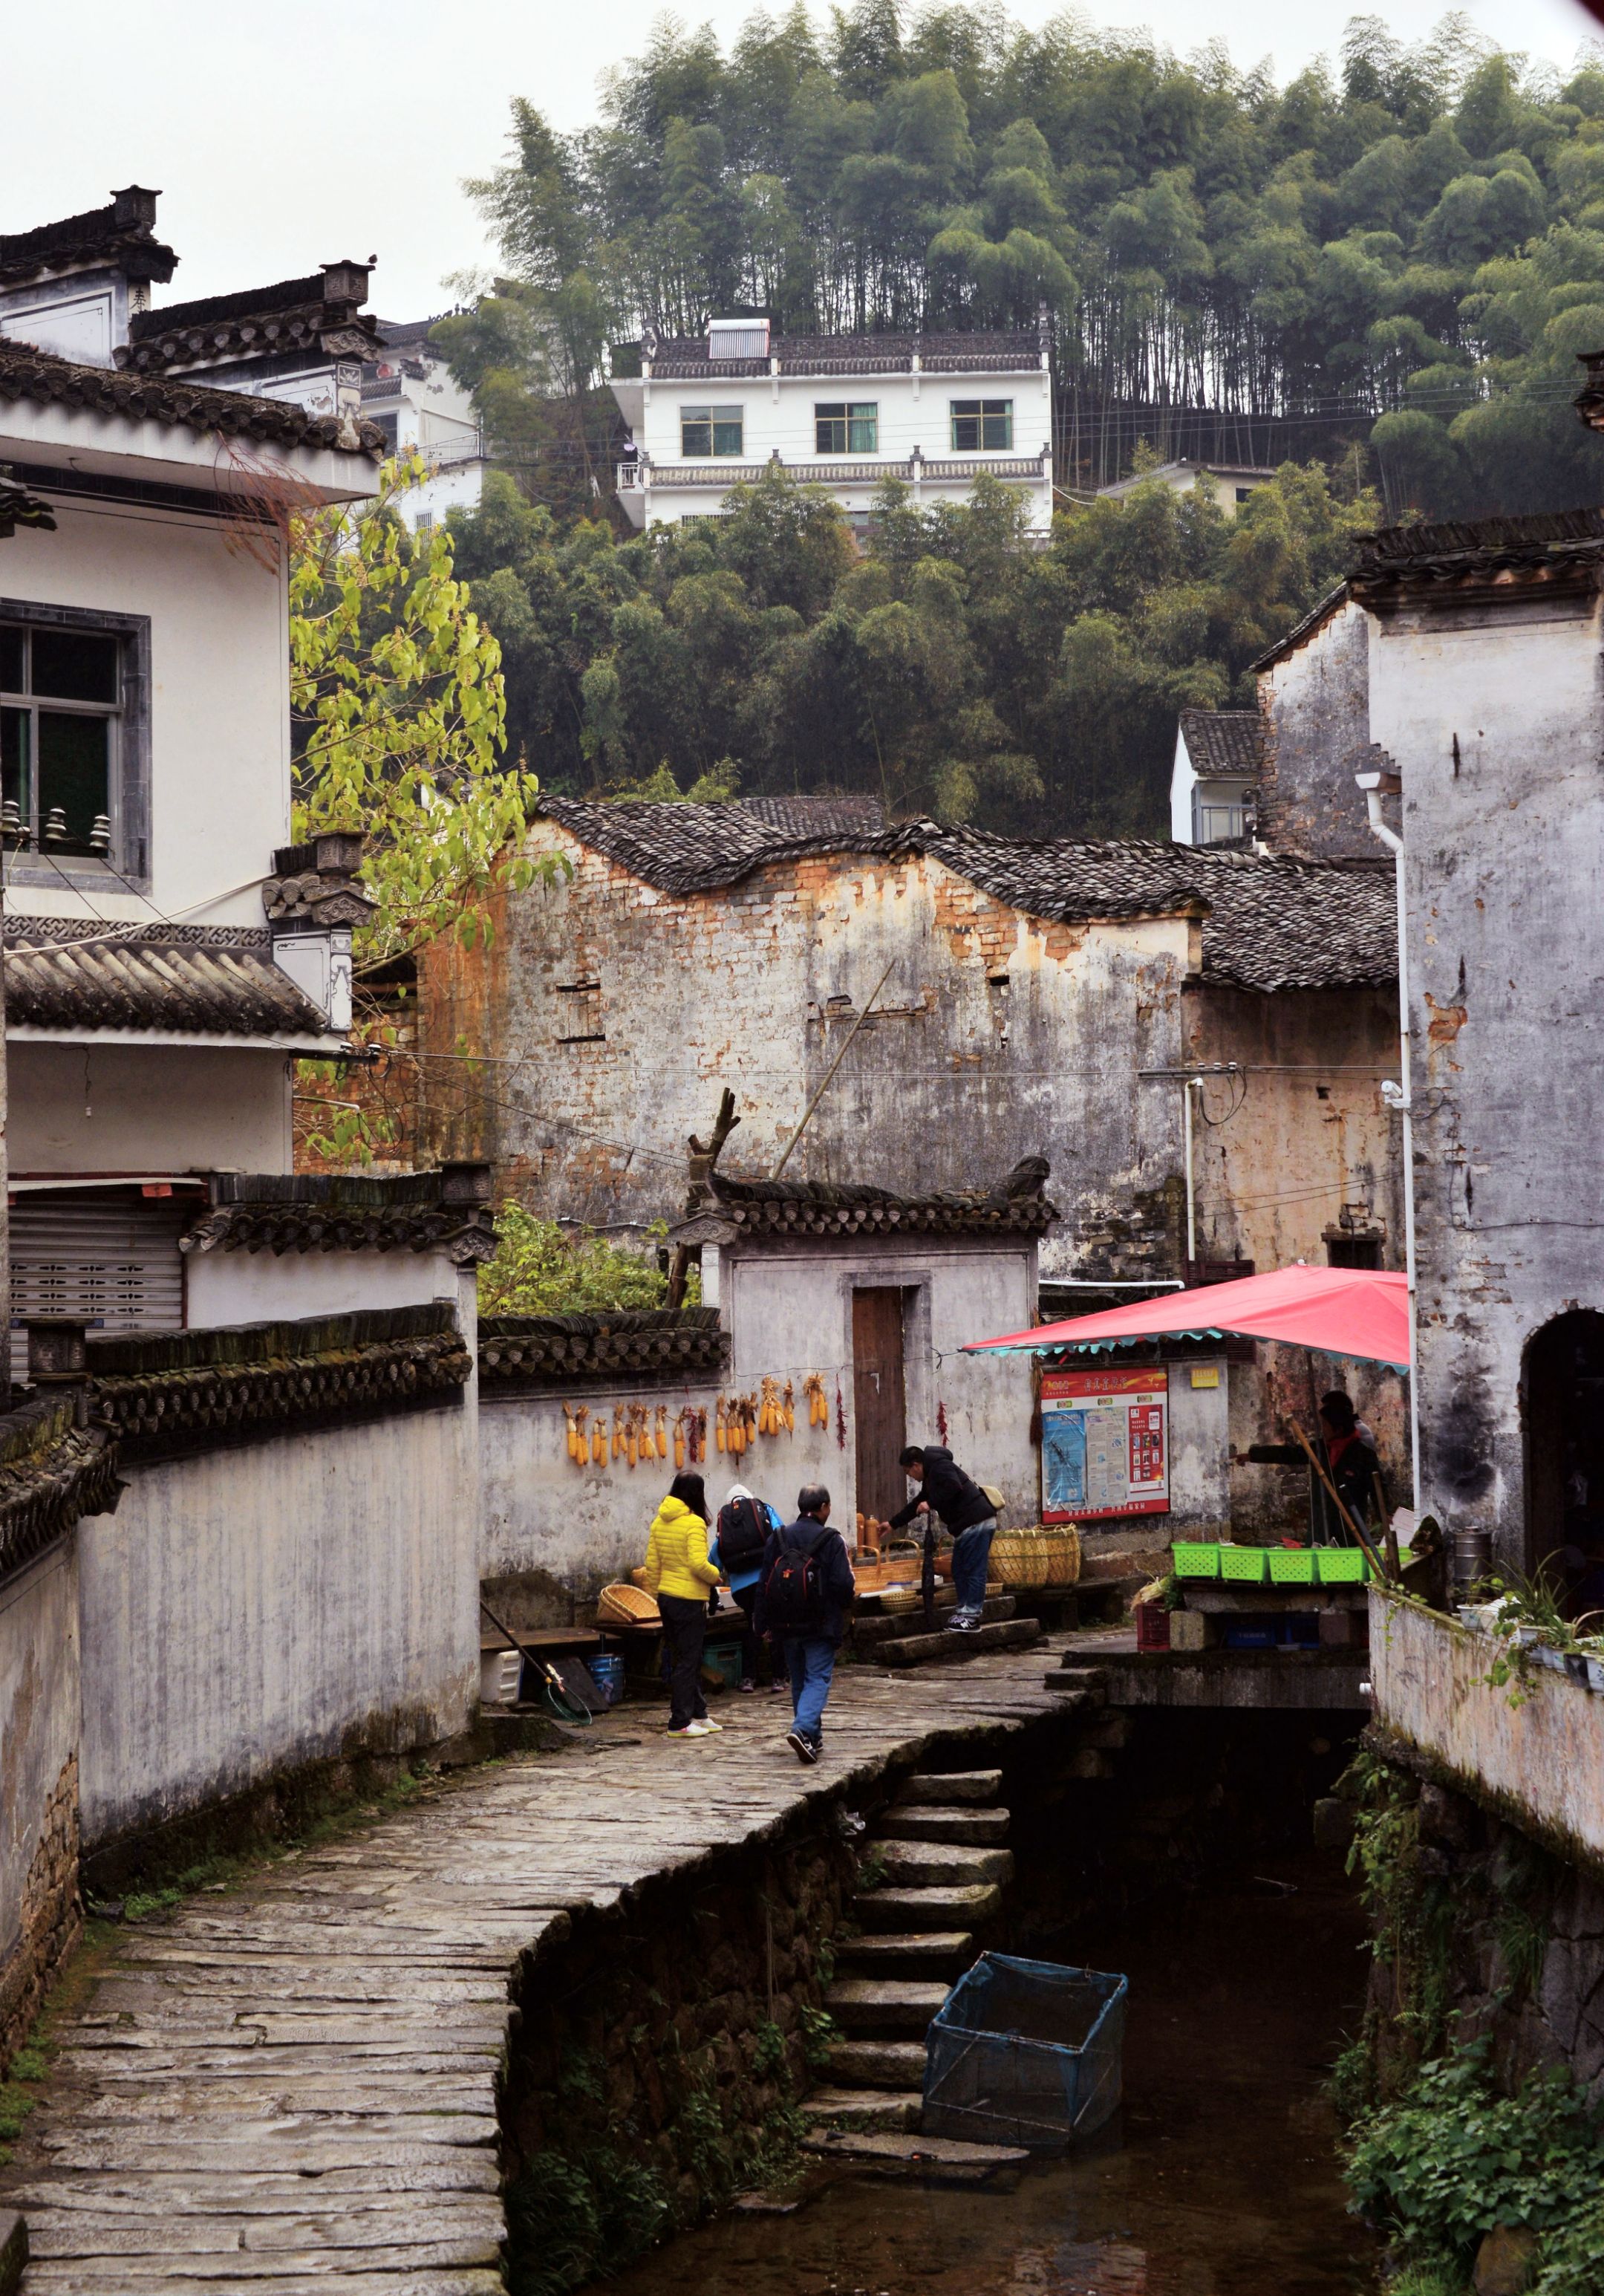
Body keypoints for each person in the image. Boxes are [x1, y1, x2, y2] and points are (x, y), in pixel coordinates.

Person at [754, 1483, 855, 1766]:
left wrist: (761, 1623)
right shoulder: (832, 1540)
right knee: (818, 1678)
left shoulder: (779, 1537)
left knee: (799, 1680)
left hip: (785, 1625)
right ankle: (802, 1729)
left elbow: (764, 1583)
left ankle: (812, 1737)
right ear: (825, 1507)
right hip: (820, 1624)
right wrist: (842, 1609)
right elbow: (844, 1584)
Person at [1244, 1391, 1386, 1544]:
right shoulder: (1320, 1449)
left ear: (1338, 1428)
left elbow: (1378, 1489)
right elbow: (1290, 1454)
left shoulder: (1362, 1453)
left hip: (1349, 1529)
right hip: (1320, 1525)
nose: (1322, 1429)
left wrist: (1385, 1516)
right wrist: (1252, 1455)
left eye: (1325, 1425)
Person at [643, 1472, 724, 1740]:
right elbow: (698, 1565)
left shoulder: (659, 1522)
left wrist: (657, 1594)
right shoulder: (694, 1523)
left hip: (667, 1598)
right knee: (688, 1662)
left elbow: (652, 1566)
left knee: (684, 1659)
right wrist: (716, 1576)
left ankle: (699, 1713)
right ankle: (679, 1721)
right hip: (689, 1600)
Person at [888, 1443, 998, 1631]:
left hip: (977, 1523)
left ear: (916, 1465)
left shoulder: (940, 1466)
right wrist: (892, 1524)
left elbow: (954, 1486)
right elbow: (917, 1504)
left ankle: (971, 1617)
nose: (911, 1477)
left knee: (973, 1570)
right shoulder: (931, 1477)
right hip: (967, 1526)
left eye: (909, 1473)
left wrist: (930, 1503)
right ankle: (964, 1613)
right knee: (959, 1569)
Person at [710, 1480, 785, 1692]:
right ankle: (779, 1678)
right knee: (773, 1626)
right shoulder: (764, 1510)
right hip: (769, 1581)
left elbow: (713, 1560)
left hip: (741, 1590)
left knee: (752, 1624)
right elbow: (781, 1536)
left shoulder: (725, 1521)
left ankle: (748, 1679)